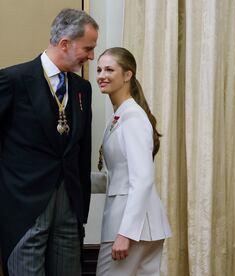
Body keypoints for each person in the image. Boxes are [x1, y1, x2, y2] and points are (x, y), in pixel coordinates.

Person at [0, 9, 98, 276]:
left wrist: (82, 212)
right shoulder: (13, 80)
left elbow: (82, 150)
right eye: (88, 48)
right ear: (64, 43)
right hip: (24, 210)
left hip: (69, 210)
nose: (91, 56)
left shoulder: (82, 89)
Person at [94, 47, 171, 276]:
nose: (101, 75)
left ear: (128, 75)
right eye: (99, 69)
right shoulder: (121, 115)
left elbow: (143, 178)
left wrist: (125, 233)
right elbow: (120, 174)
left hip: (130, 227)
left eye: (109, 69)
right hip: (143, 227)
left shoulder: (134, 117)